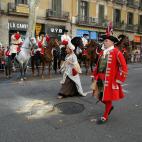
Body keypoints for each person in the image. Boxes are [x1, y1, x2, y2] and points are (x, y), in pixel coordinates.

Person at [92, 34, 128, 124]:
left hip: (109, 81)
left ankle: (105, 115)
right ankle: (110, 107)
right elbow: (98, 65)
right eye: (104, 41)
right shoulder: (102, 52)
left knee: (107, 98)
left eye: (106, 41)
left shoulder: (117, 52)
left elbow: (124, 67)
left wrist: (119, 79)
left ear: (112, 42)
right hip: (100, 79)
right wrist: (94, 75)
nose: (104, 42)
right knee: (99, 96)